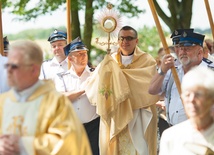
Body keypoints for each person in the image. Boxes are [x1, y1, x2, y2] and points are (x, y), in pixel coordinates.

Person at [0, 40, 92, 155]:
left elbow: (67, 142)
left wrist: (25, 145)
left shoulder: (56, 102)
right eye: (7, 65)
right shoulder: (3, 102)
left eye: (14, 66)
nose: (8, 71)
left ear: (33, 70)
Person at [85, 26, 159, 155]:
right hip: (116, 112)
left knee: (138, 149)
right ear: (118, 41)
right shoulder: (109, 61)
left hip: (138, 113)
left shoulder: (147, 61)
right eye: (122, 38)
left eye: (129, 38)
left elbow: (149, 86)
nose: (125, 41)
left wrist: (121, 79)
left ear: (136, 41)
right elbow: (94, 83)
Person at [149, 30, 214, 126]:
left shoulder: (210, 71)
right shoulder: (172, 70)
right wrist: (162, 71)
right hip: (174, 129)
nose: (182, 52)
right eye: (180, 48)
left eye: (187, 49)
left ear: (199, 53)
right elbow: (152, 91)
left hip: (203, 131)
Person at [56, 37, 100, 155]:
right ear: (70, 58)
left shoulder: (94, 74)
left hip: (94, 126)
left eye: (84, 53)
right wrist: (83, 90)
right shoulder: (62, 77)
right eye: (79, 54)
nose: (83, 57)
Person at [159, 66, 214, 155]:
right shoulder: (171, 136)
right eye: (187, 95)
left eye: (198, 95)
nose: (191, 100)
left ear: (211, 99)